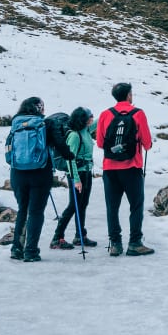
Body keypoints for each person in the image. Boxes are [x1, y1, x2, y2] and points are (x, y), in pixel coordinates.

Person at [10, 96, 74, 262]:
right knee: (36, 211)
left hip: (17, 173)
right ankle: (31, 251)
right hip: (40, 173)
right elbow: (60, 145)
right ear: (40, 109)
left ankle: (17, 248)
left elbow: (9, 149)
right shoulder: (46, 124)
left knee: (22, 209)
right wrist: (69, 155)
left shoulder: (16, 123)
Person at [96, 82, 154, 257]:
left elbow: (100, 143)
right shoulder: (138, 114)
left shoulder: (105, 114)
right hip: (132, 167)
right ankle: (135, 243)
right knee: (136, 205)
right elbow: (147, 144)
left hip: (110, 168)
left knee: (112, 207)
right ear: (129, 95)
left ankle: (115, 244)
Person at [50, 107, 98, 250]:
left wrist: (116, 110)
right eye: (90, 116)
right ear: (83, 119)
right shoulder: (75, 136)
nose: (92, 118)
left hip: (86, 172)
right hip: (77, 174)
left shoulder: (86, 130)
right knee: (73, 205)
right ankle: (57, 238)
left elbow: (98, 122)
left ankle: (80, 235)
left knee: (82, 204)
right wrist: (76, 179)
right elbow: (70, 160)